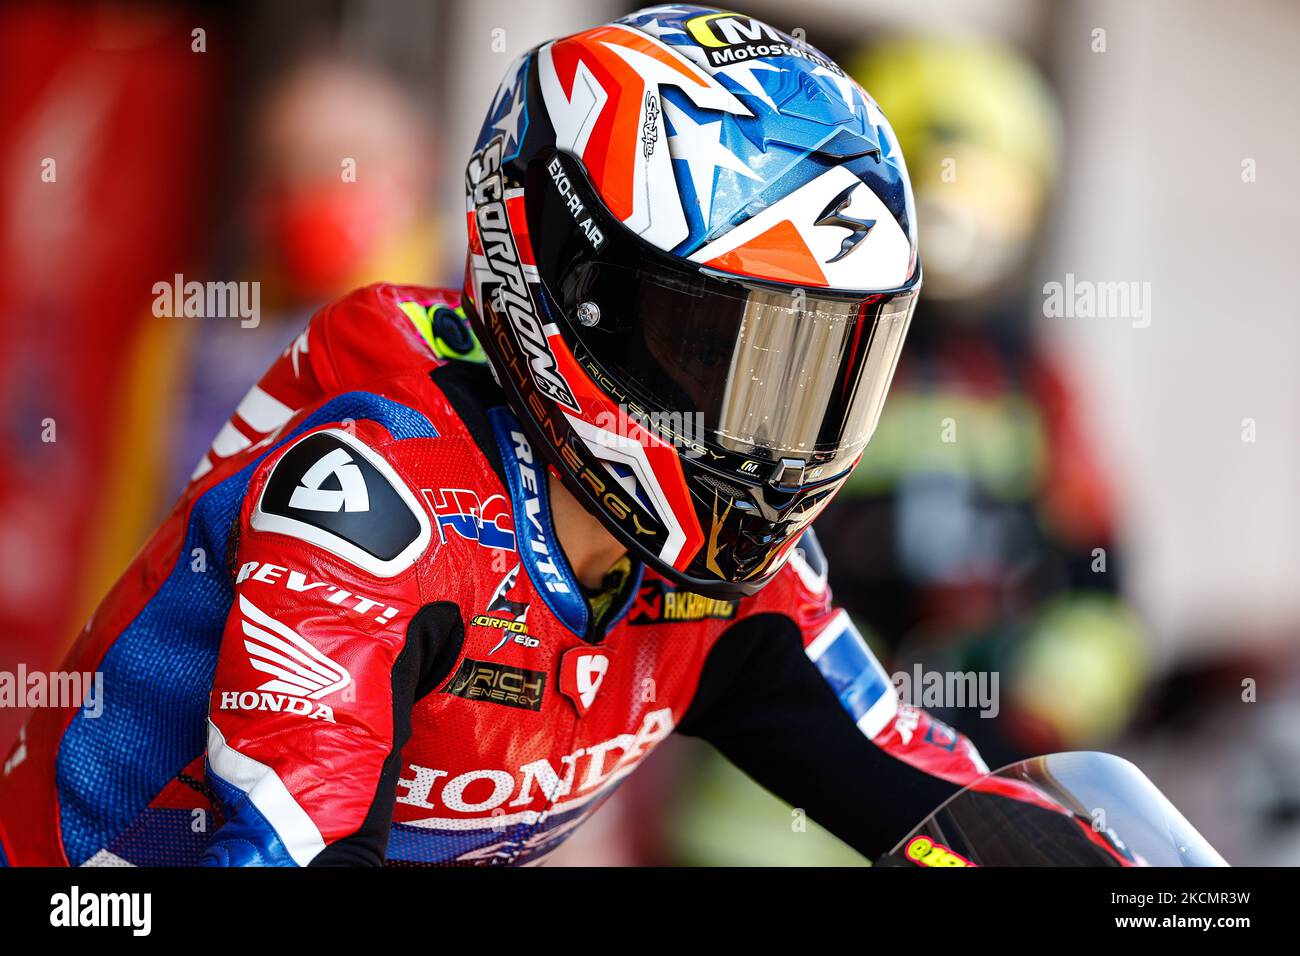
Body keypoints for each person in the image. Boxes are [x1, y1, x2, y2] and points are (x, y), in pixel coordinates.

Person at [0, 5, 989, 867]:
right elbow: (294, 840)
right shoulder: (379, 499)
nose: (762, 431)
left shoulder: (731, 567)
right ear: (574, 288)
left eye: (813, 367)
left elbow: (933, 796)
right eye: (712, 346)